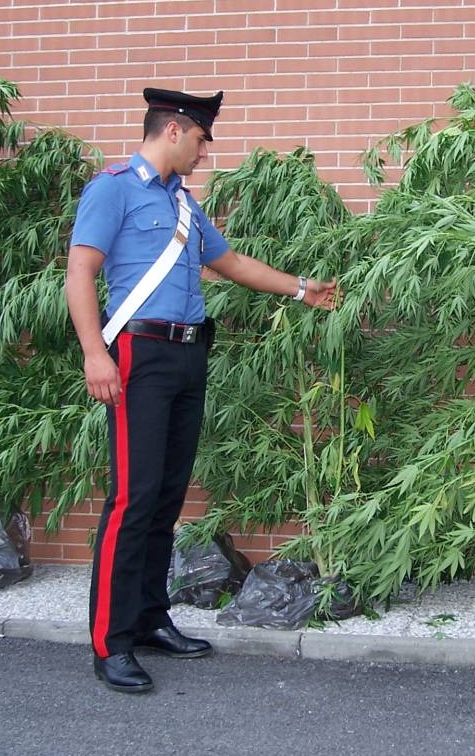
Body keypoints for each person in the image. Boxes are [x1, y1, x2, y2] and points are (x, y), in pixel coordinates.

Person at [66, 87, 337, 693]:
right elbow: (79, 271)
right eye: (201, 140)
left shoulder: (186, 206)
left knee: (164, 500)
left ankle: (150, 618)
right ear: (174, 130)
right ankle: (111, 642)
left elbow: (232, 263)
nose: (203, 153)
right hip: (136, 353)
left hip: (189, 355)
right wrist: (94, 354)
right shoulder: (112, 189)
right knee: (131, 503)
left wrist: (300, 288)